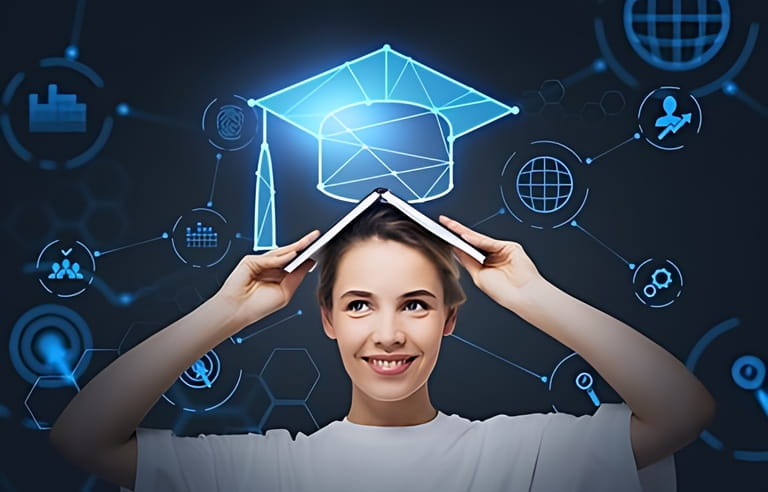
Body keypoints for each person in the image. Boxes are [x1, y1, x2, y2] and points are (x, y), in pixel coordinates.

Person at [50, 203, 715, 491]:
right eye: (360, 304)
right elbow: (84, 439)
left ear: (450, 319)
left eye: (417, 305)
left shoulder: (521, 456)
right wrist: (228, 310)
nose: (389, 334)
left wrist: (529, 295)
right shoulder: (267, 473)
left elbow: (681, 412)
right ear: (327, 319)